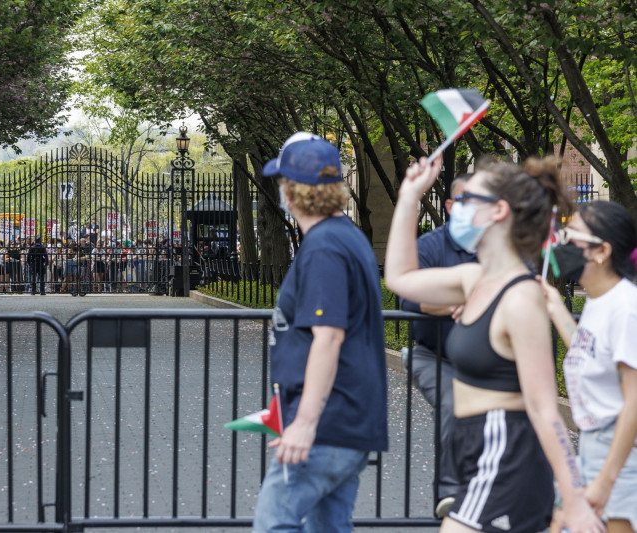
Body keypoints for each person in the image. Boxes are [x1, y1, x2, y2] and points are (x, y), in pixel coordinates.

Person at [385, 155, 605, 533]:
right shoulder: (474, 278)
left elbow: (544, 408)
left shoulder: (521, 298)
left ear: (498, 211)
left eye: (468, 200)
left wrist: (574, 501)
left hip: (505, 445)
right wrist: (409, 198)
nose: (458, 209)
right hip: (472, 444)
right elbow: (401, 278)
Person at [253, 132, 388, 533]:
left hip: (329, 423)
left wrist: (306, 422)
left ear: (293, 192)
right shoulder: (345, 237)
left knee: (273, 522)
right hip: (349, 419)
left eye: (282, 183)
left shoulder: (325, 246)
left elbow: (328, 336)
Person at [541, 201, 637, 533]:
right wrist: (554, 307)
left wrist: (606, 480)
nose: (562, 244)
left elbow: (634, 402)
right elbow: (587, 349)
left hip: (621, 458)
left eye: (571, 235)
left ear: (601, 251)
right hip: (594, 449)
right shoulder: (601, 300)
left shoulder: (625, 307)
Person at [398, 174, 476, 518]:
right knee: (453, 404)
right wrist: (458, 302)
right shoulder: (429, 247)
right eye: (466, 201)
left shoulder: (500, 247)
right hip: (434, 356)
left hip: (485, 361)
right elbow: (411, 300)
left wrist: (445, 296)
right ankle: (450, 493)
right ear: (449, 206)